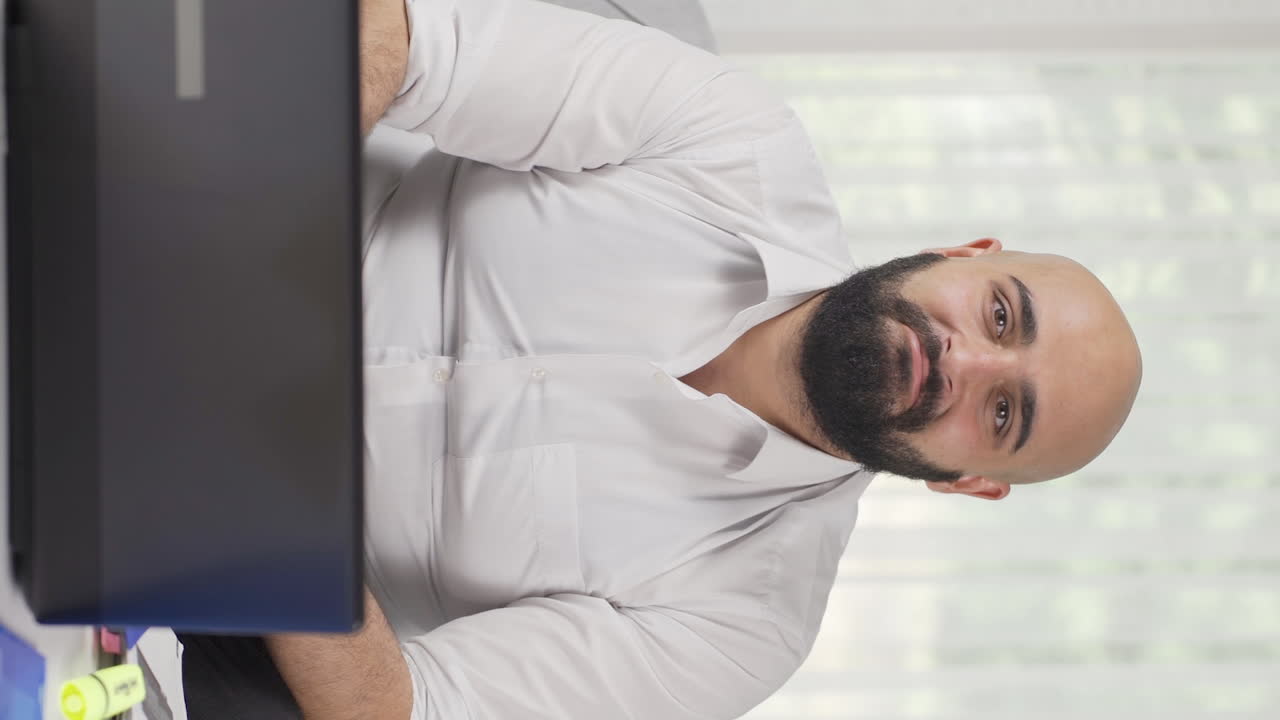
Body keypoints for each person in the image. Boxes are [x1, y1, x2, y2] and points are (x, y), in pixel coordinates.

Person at [255, 0, 1144, 718]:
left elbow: (402, 711)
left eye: (1002, 413)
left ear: (968, 482)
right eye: (1000, 314)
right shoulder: (734, 140)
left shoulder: (744, 627)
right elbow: (402, 40)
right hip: (205, 211)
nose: (965, 362)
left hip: (209, 543)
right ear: (963, 252)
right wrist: (233, 214)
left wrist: (247, 495)